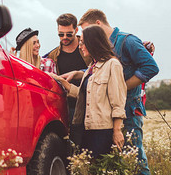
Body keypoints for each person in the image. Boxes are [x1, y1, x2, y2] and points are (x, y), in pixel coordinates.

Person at [77, 9, 159, 175]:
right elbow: (102, 72)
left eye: (86, 31)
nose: (85, 38)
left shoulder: (127, 40)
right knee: (117, 162)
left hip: (128, 109)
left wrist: (120, 87)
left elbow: (151, 67)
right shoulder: (104, 47)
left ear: (97, 24)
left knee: (136, 157)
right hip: (109, 113)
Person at [50, 25, 127, 159]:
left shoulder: (112, 65)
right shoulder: (92, 67)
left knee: (101, 172)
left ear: (93, 43)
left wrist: (117, 131)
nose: (80, 46)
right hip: (87, 128)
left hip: (103, 131)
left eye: (83, 43)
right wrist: (64, 84)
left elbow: (118, 102)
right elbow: (85, 94)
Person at [44, 14, 92, 121]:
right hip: (66, 106)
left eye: (69, 34)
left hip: (89, 104)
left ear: (76, 30)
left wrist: (78, 74)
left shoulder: (88, 48)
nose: (65, 37)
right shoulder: (53, 55)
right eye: (61, 34)